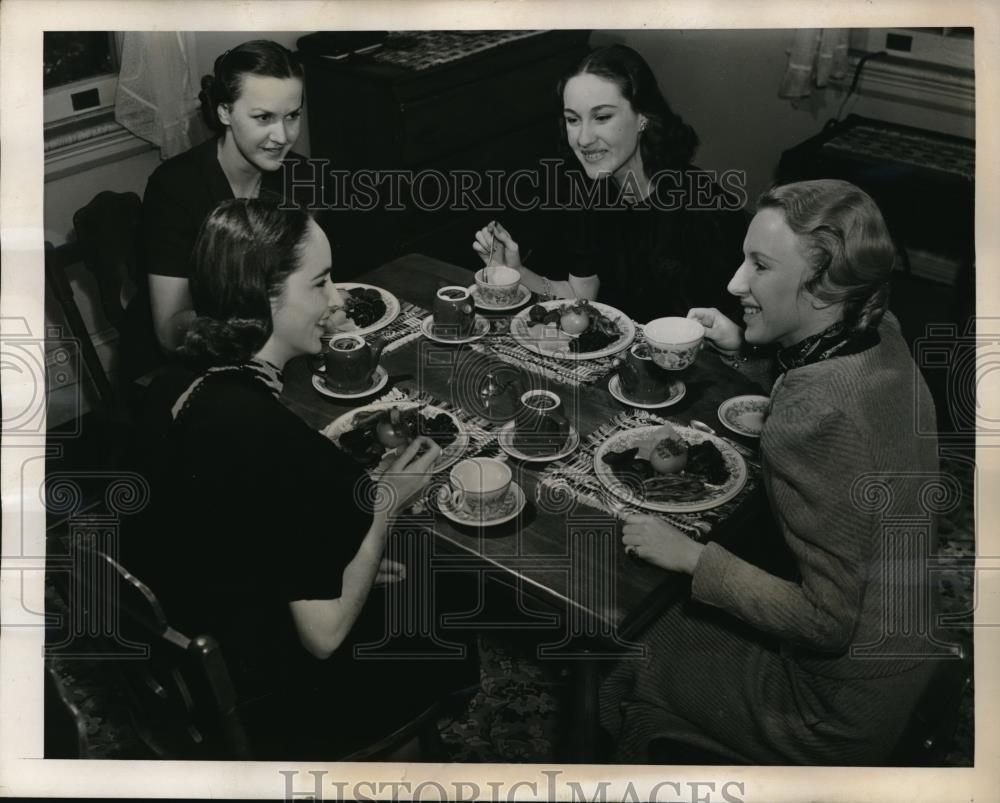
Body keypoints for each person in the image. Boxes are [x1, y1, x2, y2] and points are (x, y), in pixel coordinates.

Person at [600, 179, 941, 765]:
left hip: (829, 711)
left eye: (759, 265)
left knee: (616, 645)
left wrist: (692, 558)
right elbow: (816, 379)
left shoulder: (816, 417)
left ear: (821, 285)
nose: (735, 283)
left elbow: (825, 621)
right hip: (903, 647)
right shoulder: (876, 331)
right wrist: (744, 344)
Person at [126, 199, 469, 758]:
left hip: (191, 638)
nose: (337, 301)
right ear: (263, 295)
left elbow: (237, 526)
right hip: (260, 694)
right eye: (322, 283)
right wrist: (385, 503)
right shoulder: (264, 433)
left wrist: (338, 554)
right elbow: (324, 636)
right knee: (438, 608)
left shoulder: (174, 382)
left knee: (393, 578)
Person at [472, 44, 745, 322]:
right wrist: (515, 271)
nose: (584, 138)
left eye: (601, 117)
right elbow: (581, 297)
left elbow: (734, 329)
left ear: (643, 117)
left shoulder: (702, 206)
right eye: (573, 120)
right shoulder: (586, 190)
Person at [142, 39, 329, 353]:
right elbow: (169, 330)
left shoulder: (303, 177)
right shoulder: (174, 188)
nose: (282, 137)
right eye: (263, 117)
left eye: (292, 116)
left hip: (277, 350)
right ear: (225, 112)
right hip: (189, 360)